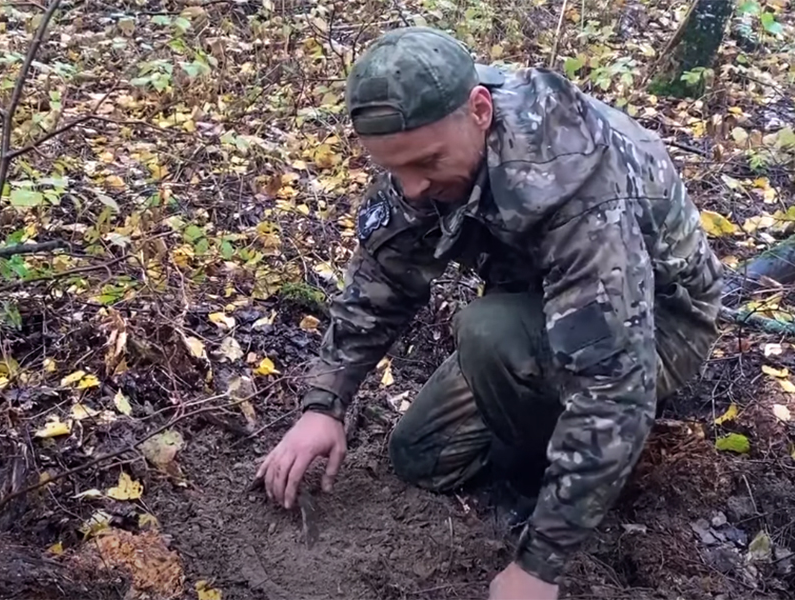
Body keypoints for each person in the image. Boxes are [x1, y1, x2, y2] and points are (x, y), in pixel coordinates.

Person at [255, 26, 723, 600]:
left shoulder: (575, 177)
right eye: (393, 169)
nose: (412, 186)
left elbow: (612, 383)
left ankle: (549, 488)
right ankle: (563, 445)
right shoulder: (422, 151)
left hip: (658, 323)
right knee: (421, 456)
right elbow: (384, 277)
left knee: (488, 330)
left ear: (480, 109)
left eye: (426, 163)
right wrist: (324, 405)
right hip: (542, 307)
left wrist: (539, 567)